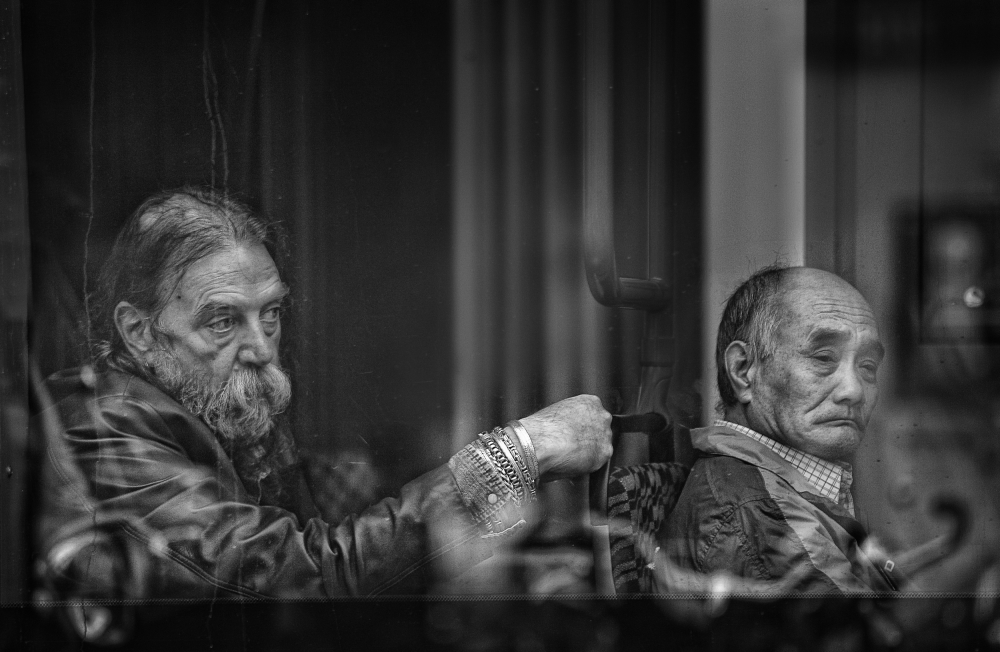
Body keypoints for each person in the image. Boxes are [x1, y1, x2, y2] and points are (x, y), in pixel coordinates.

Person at [36, 187, 612, 601]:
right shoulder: (103, 425)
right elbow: (293, 574)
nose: (260, 347)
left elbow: (327, 525)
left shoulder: (204, 401)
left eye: (270, 314)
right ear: (138, 331)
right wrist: (515, 455)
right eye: (223, 321)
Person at [661, 265, 896, 593]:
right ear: (743, 370)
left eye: (867, 366)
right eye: (824, 357)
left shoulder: (775, 491)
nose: (854, 390)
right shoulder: (758, 513)